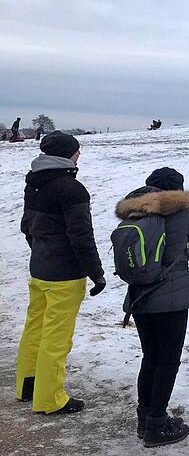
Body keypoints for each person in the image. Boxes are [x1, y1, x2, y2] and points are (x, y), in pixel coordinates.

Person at [115, 167, 189, 448]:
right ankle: (157, 424)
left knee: (151, 357)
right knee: (168, 361)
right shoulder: (181, 212)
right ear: (177, 190)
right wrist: (181, 253)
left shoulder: (134, 211)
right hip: (172, 297)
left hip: (140, 296)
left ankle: (144, 418)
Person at [17, 131, 106, 414]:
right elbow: (81, 236)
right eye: (77, 150)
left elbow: (26, 226)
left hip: (40, 268)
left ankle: (28, 385)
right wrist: (96, 272)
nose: (79, 155)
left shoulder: (34, 183)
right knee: (57, 337)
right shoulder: (71, 189)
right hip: (64, 275)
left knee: (35, 328)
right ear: (68, 154)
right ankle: (49, 399)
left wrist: (39, 249)